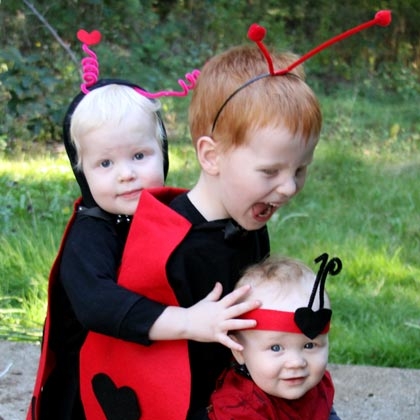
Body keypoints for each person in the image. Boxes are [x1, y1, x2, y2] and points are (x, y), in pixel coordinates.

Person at [208, 253, 342, 420]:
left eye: (309, 345)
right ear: (239, 352)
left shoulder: (317, 386)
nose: (296, 363)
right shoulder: (239, 408)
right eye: (276, 347)